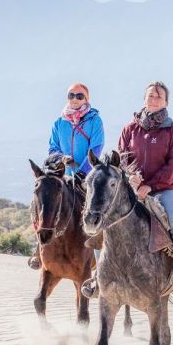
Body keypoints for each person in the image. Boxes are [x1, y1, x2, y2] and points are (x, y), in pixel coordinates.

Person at [118, 81, 173, 289]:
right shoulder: (130, 128)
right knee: (107, 219)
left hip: (164, 189)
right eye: (150, 96)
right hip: (133, 189)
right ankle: (99, 276)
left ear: (166, 102)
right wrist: (131, 177)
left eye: (158, 96)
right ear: (144, 99)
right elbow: (121, 156)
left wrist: (151, 184)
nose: (154, 99)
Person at [29, 82, 104, 270]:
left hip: (86, 175)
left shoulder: (94, 120)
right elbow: (52, 148)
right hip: (62, 174)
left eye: (80, 96)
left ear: (87, 99)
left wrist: (82, 171)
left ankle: (100, 261)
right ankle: (38, 249)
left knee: (97, 210)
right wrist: (61, 158)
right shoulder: (59, 122)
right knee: (38, 202)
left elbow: (96, 147)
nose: (75, 99)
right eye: (72, 95)